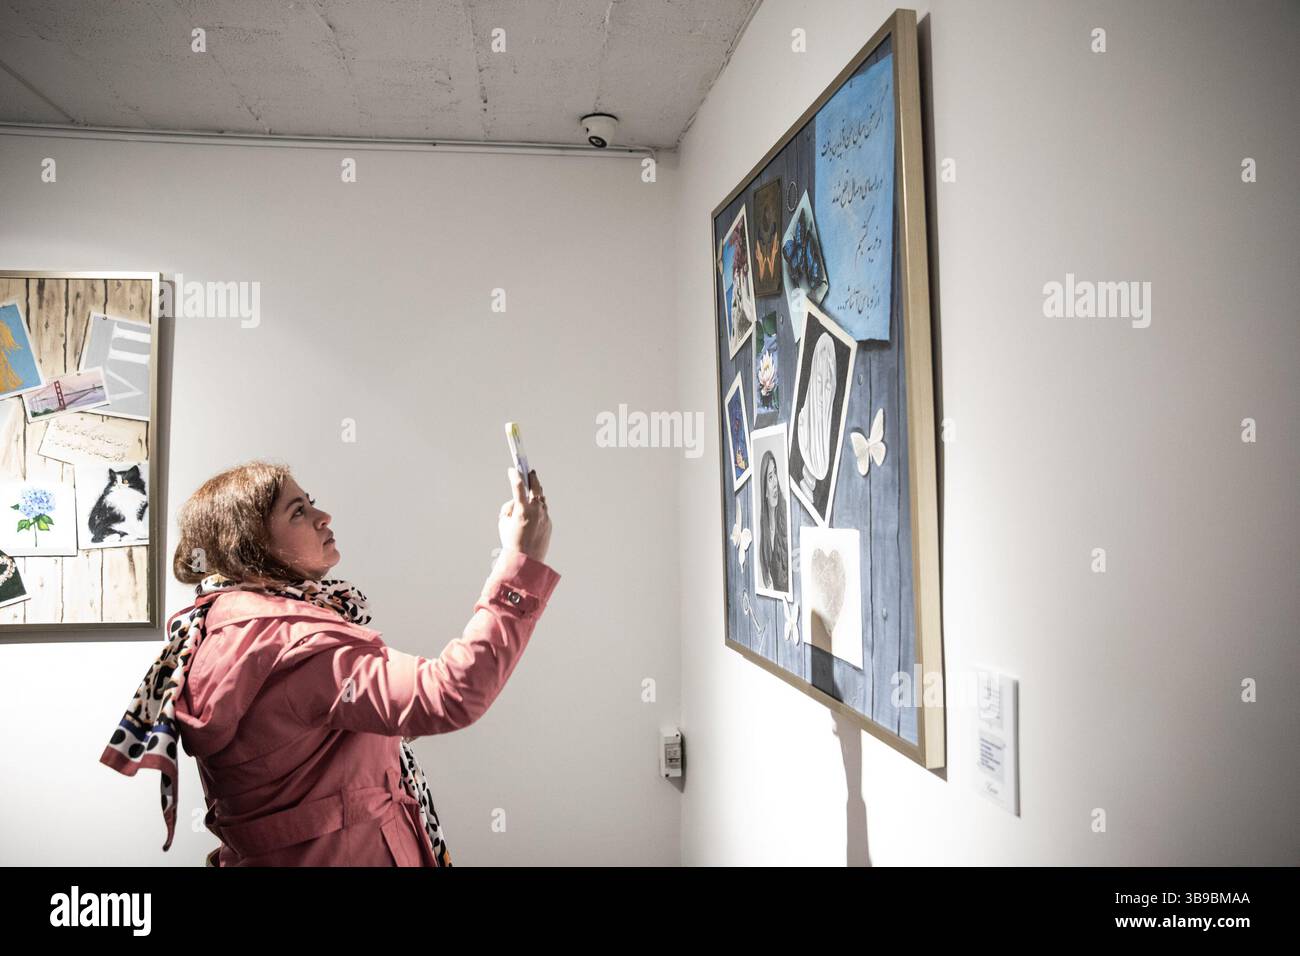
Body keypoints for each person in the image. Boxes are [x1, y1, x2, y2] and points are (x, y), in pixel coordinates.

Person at [100, 459, 558, 866]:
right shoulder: (294, 646)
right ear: (249, 548)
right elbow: (450, 694)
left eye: (311, 503)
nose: (323, 517)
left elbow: (310, 740)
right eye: (297, 511)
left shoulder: (222, 631)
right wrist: (522, 562)